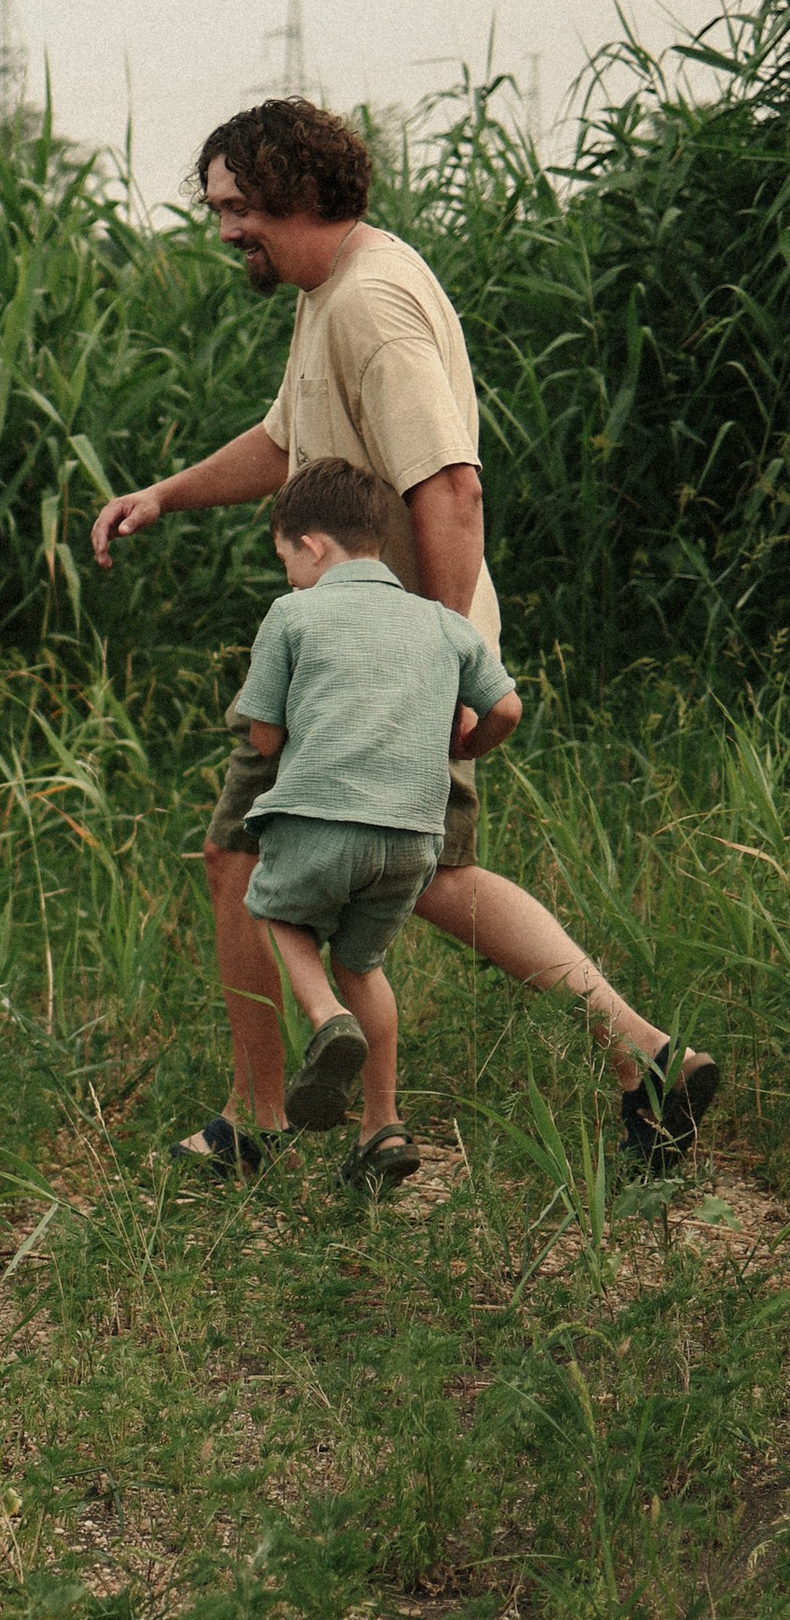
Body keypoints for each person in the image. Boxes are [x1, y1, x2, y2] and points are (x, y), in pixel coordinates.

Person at [88, 97, 717, 1176]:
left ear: (296, 191)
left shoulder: (372, 304)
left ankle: (258, 1118)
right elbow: (291, 443)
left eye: (236, 206)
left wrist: (436, 663)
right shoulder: (331, 291)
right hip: (391, 654)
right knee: (427, 875)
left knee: (243, 853)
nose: (224, 228)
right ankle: (644, 1055)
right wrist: (167, 495)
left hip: (389, 657)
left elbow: (453, 490)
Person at [231, 459, 520, 1184]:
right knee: (363, 963)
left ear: (315, 547)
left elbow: (263, 735)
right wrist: (466, 743)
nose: (291, 575)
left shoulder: (292, 614)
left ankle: (327, 1021)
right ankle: (383, 1129)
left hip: (322, 818)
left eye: (288, 559)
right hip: (415, 838)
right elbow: (507, 708)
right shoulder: (439, 622)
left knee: (273, 913)